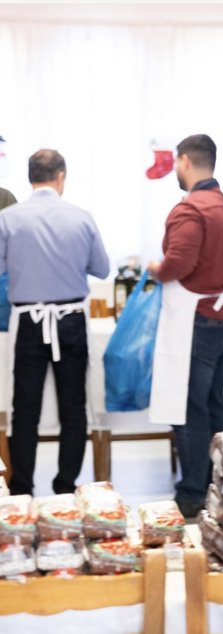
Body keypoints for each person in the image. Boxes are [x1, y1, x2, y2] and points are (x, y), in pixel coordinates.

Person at [147, 134, 223, 518]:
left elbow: (178, 263)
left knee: (191, 408)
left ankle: (193, 495)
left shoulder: (189, 210)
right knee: (213, 405)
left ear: (184, 162)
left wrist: (156, 270)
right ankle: (221, 484)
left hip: (199, 321)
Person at [0, 149, 110, 495]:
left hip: (29, 321)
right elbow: (103, 269)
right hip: (71, 320)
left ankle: (22, 490)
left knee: (25, 410)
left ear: (30, 177)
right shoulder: (81, 217)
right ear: (61, 176)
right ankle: (65, 487)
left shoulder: (9, 218)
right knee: (73, 408)